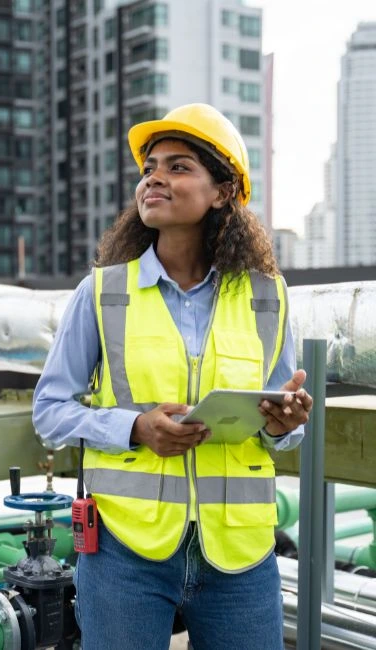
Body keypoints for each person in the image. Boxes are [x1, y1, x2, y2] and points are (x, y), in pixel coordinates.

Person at [33, 103, 313, 650]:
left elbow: (284, 427)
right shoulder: (103, 292)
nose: (155, 178)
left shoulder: (266, 297)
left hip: (239, 557)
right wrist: (136, 428)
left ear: (223, 191)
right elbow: (49, 411)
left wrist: (285, 422)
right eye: (149, 168)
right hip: (125, 555)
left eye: (179, 166)